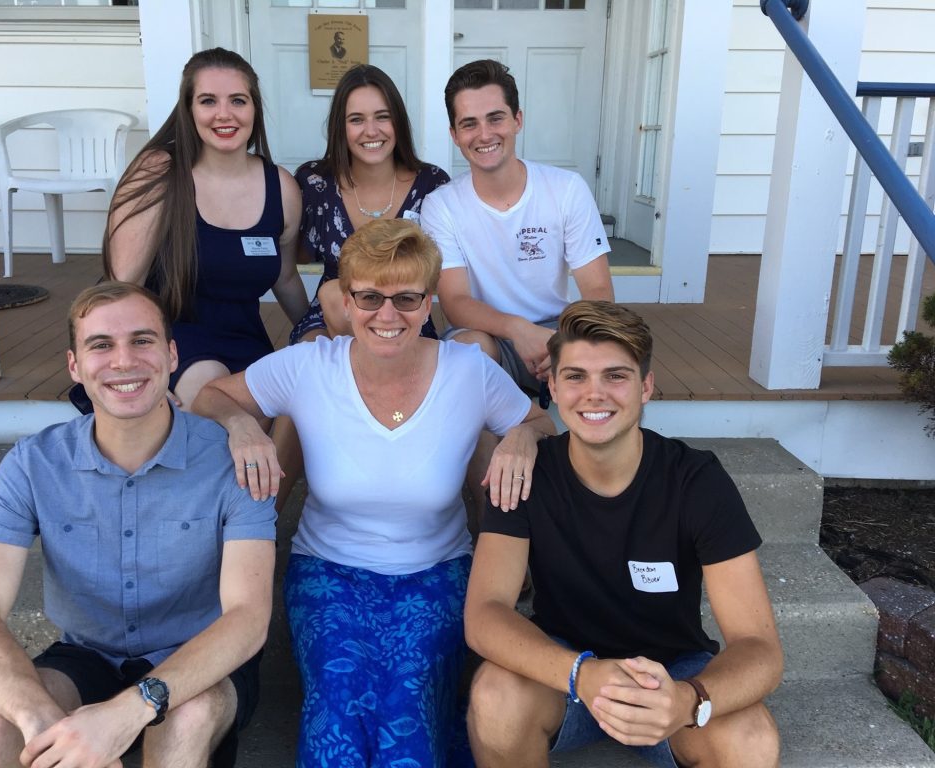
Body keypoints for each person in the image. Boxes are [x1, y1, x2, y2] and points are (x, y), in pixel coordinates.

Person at [194, 219, 556, 767]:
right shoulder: (308, 368)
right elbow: (209, 396)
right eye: (369, 297)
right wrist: (243, 426)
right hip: (328, 573)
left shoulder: (467, 372)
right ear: (345, 299)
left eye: (407, 299)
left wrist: (524, 436)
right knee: (339, 710)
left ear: (430, 301)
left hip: (438, 572)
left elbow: (543, 424)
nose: (388, 316)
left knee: (406, 706)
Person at [0, 282, 277, 768]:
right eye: (101, 345)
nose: (123, 361)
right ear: (74, 367)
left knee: (183, 719)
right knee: (0, 722)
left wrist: (129, 711)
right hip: (87, 654)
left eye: (142, 341)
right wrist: (45, 726)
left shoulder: (233, 461)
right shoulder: (33, 464)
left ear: (171, 355)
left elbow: (248, 618)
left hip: (198, 659)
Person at [463, 301, 783, 768]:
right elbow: (485, 614)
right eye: (574, 376)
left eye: (615, 376)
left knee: (751, 738)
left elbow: (760, 647)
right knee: (494, 697)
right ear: (552, 385)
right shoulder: (526, 474)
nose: (594, 394)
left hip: (672, 673)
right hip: (562, 670)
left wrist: (687, 699)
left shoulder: (696, 481)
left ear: (646, 386)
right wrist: (581, 673)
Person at [103, 47, 309, 409]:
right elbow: (123, 281)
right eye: (208, 101)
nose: (224, 114)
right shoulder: (161, 171)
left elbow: (287, 277)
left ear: (254, 109)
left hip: (246, 339)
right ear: (189, 110)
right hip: (171, 339)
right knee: (221, 408)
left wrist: (315, 335)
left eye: (238, 100)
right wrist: (134, 364)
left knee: (284, 411)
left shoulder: (281, 187)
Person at [420, 58, 615, 393]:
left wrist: (564, 343)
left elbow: (599, 293)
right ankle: (493, 441)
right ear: (454, 135)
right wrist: (517, 329)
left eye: (495, 118)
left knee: (618, 348)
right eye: (469, 124)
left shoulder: (566, 188)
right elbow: (454, 301)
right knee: (467, 352)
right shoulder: (442, 205)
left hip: (562, 329)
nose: (484, 134)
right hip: (491, 334)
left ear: (517, 120)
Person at [290, 63, 449, 344]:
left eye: (382, 117)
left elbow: (441, 272)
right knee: (313, 346)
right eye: (356, 119)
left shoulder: (431, 183)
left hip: (405, 314)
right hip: (334, 314)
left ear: (398, 121)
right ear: (340, 126)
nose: (371, 131)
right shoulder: (315, 182)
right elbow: (292, 256)